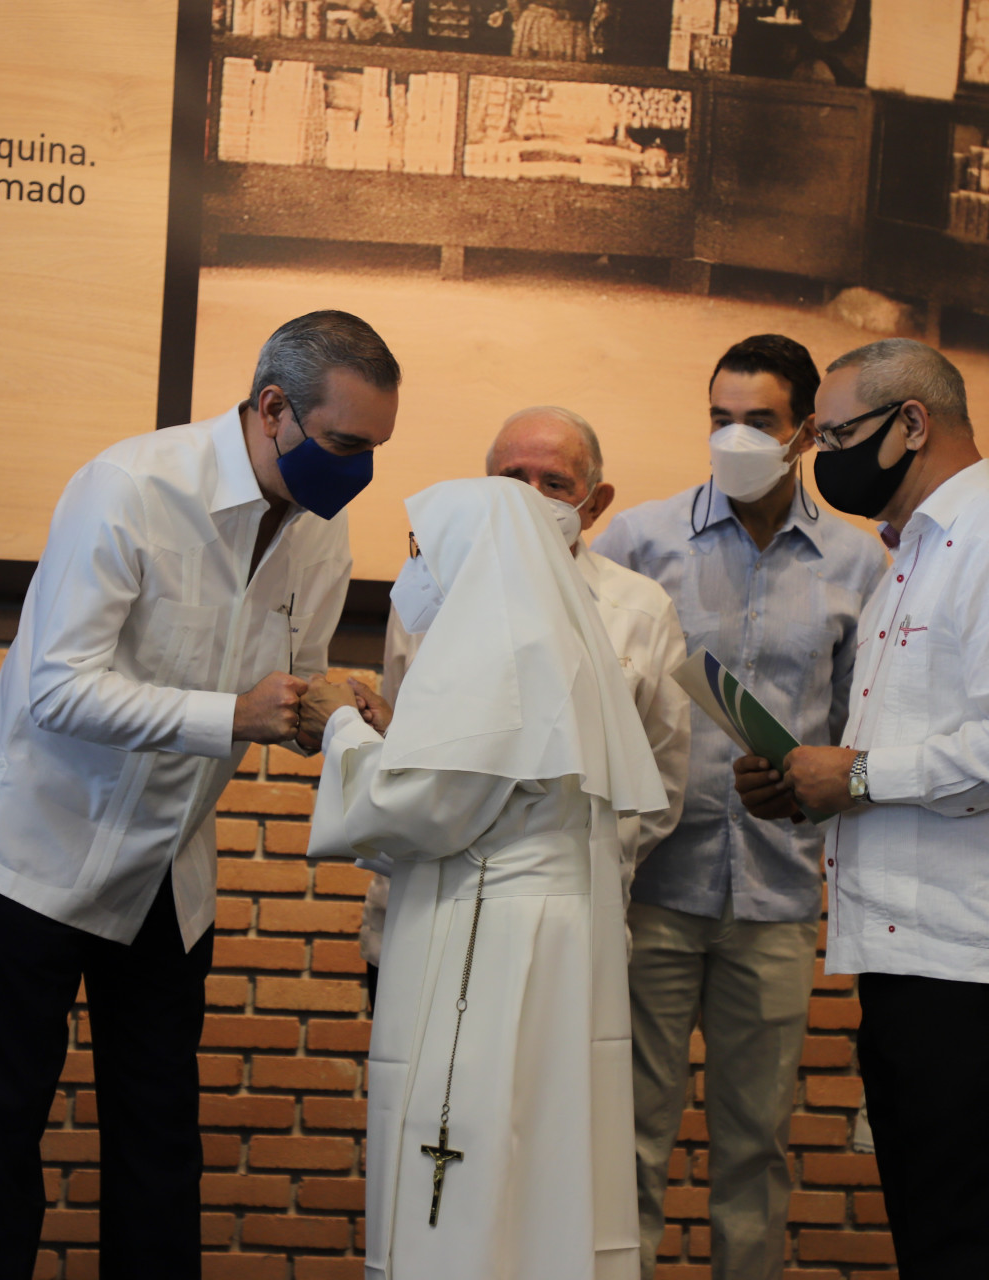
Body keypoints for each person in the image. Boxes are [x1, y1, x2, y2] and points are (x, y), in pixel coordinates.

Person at [0, 311, 399, 1278]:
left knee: (159, 1136)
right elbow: (60, 689)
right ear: (273, 408)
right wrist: (235, 714)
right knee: (1, 1124)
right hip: (37, 849)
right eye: (343, 444)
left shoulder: (324, 532)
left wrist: (336, 709)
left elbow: (294, 679)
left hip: (167, 867)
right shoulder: (131, 486)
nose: (356, 470)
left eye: (372, 450)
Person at [736, 338, 989, 1280]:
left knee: (977, 1258)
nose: (822, 459)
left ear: (911, 424)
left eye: (836, 435)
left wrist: (856, 777)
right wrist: (808, 790)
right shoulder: (910, 557)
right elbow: (918, 759)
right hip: (922, 968)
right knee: (941, 1256)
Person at [302, 476, 667, 1280]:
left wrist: (339, 725)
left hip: (491, 937)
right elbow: (483, 788)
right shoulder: (545, 636)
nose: (412, 568)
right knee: (537, 1159)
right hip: (543, 931)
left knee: (466, 1150)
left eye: (419, 550)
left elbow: (415, 810)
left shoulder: (497, 647)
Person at [589, 333, 886, 1280]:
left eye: (759, 421)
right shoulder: (639, 541)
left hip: (778, 896)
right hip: (652, 888)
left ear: (805, 431)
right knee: (628, 1137)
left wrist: (817, 787)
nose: (735, 438)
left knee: (755, 1148)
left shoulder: (860, 563)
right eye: (720, 419)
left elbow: (858, 734)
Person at [359, 405, 690, 1001]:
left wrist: (571, 859)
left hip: (567, 921)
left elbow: (659, 784)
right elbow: (397, 734)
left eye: (554, 483)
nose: (529, 498)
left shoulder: (641, 610)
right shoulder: (427, 591)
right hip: (425, 909)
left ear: (595, 501)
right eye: (512, 479)